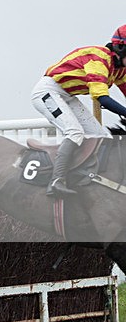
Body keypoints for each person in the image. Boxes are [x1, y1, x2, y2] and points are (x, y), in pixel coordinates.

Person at [32, 25, 126, 197]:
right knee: (74, 132)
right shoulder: (99, 58)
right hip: (47, 91)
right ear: (121, 49)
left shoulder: (120, 69)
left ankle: (88, 177)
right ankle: (56, 180)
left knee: (101, 136)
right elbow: (102, 98)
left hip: (67, 95)